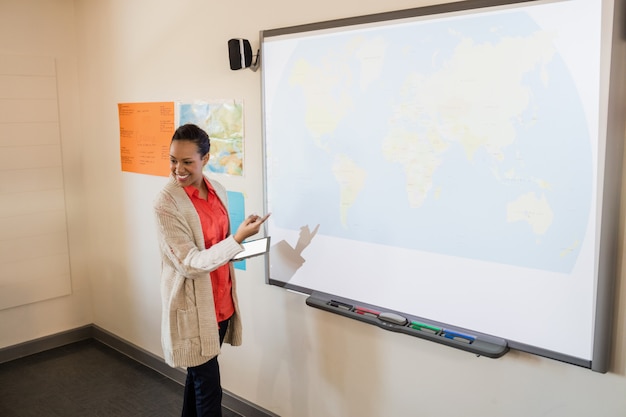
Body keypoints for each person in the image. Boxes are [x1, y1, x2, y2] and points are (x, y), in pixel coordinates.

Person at [153, 123, 269, 416]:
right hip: (193, 309)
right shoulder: (165, 203)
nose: (178, 168)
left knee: (198, 380)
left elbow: (219, 247)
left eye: (187, 162)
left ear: (205, 158)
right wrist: (238, 238)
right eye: (173, 160)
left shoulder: (217, 189)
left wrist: (244, 242)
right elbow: (190, 263)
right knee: (209, 390)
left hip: (221, 302)